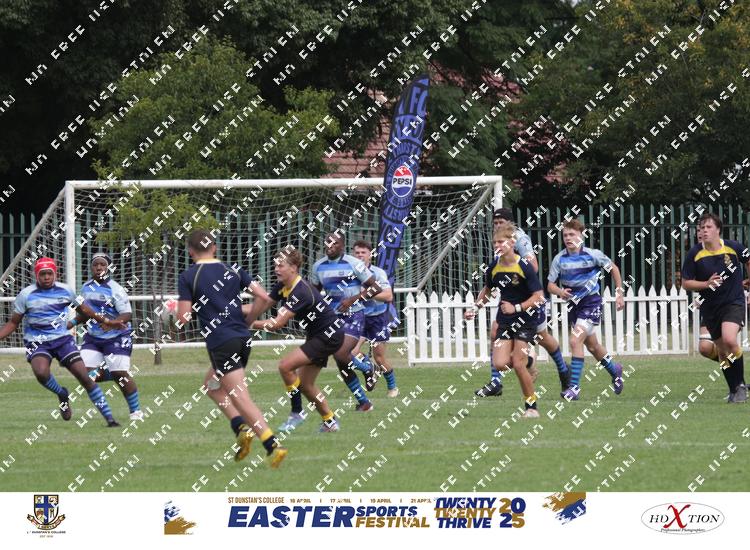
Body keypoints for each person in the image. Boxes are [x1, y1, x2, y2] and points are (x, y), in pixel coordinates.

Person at [176, 229, 287, 466]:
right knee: (211, 386)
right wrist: (249, 320)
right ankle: (240, 427)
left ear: (190, 251)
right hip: (242, 339)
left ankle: (272, 445)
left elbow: (183, 318)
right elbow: (264, 297)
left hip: (221, 341)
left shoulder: (188, 276)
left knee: (240, 396)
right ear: (214, 247)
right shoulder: (234, 269)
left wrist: (174, 308)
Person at [0, 257, 121, 426]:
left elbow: (86, 310)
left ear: (55, 274)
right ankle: (62, 393)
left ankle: (110, 420)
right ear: (36, 275)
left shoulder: (66, 291)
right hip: (37, 342)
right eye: (43, 274)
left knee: (84, 376)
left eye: (49, 273)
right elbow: (13, 323)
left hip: (63, 340)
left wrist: (107, 321)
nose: (46, 277)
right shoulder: (26, 295)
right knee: (41, 373)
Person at [474, 208, 570, 397]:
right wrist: (477, 305)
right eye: (495, 223)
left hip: (528, 299)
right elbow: (492, 281)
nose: (497, 226)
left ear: (510, 224)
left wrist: (514, 278)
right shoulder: (499, 242)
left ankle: (563, 370)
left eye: (501, 222)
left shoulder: (519, 238)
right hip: (510, 302)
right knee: (495, 331)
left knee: (543, 338)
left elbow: (532, 266)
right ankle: (496, 382)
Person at [250, 246, 343, 432]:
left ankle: (297, 413)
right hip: (319, 335)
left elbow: (277, 324)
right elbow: (260, 307)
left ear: (293, 268)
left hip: (328, 335)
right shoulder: (283, 286)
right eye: (275, 265)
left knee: (285, 366)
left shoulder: (300, 291)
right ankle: (330, 422)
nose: (276, 269)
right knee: (306, 385)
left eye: (280, 265)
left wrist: (248, 324)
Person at [465, 225, 545, 417]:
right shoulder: (494, 267)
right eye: (495, 243)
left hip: (525, 319)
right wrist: (475, 308)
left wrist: (516, 308)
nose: (497, 245)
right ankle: (530, 361)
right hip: (505, 320)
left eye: (501, 242)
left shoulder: (524, 266)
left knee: (517, 363)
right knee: (500, 364)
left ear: (512, 243)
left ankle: (531, 408)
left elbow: (539, 297)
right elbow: (488, 291)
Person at [547, 219, 625, 400]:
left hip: (591, 303)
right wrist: (560, 292)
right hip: (574, 306)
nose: (568, 238)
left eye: (572, 234)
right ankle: (615, 370)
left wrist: (619, 293)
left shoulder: (593, 255)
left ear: (581, 236)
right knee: (592, 346)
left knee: (575, 341)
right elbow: (550, 285)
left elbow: (613, 268)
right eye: (565, 235)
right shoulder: (559, 259)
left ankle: (574, 388)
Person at [681, 212, 750, 403]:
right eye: (701, 228)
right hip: (710, 308)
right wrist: (706, 284)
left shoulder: (733, 247)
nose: (704, 231)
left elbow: (748, 259)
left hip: (733, 303)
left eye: (708, 227)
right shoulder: (695, 253)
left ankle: (740, 386)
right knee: (721, 351)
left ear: (718, 230)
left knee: (729, 339)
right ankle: (735, 389)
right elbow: (686, 283)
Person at [310, 231, 382, 411]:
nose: (330, 246)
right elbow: (314, 293)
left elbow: (375, 288)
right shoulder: (318, 267)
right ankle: (364, 402)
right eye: (327, 242)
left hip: (354, 315)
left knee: (340, 353)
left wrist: (352, 299)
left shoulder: (354, 264)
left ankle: (367, 369)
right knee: (342, 363)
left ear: (342, 246)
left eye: (334, 243)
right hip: (332, 318)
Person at [69, 252, 142, 420]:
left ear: (108, 267)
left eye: (102, 264)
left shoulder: (115, 289)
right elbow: (86, 313)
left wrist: (112, 323)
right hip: (93, 338)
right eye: (96, 264)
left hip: (117, 337)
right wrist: (70, 323)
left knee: (121, 375)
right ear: (91, 267)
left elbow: (127, 314)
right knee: (85, 374)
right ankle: (112, 372)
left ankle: (136, 411)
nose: (99, 267)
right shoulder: (86, 287)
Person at [350, 240, 399, 397]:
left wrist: (366, 294)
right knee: (349, 353)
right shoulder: (349, 273)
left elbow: (388, 296)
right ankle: (368, 368)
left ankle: (392, 387)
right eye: (357, 252)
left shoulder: (377, 273)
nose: (360, 255)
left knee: (379, 358)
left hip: (378, 319)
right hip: (359, 318)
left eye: (363, 252)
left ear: (370, 255)